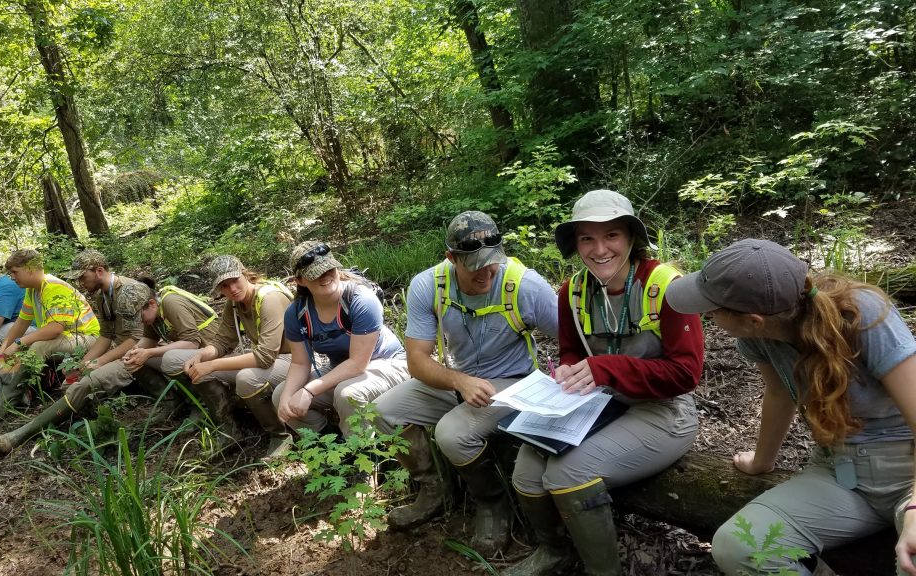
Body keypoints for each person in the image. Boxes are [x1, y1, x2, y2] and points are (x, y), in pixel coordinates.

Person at [665, 238, 916, 576]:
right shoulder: (757, 338)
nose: (707, 315)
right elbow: (779, 395)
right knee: (740, 546)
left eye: (712, 309)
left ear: (755, 319)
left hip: (907, 471)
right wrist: (761, 462)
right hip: (839, 473)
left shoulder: (862, 312)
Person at [502, 190, 703, 576]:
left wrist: (606, 368)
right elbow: (571, 351)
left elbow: (685, 375)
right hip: (599, 403)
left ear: (630, 237)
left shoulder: (667, 287)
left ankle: (603, 570)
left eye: (611, 235)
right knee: (526, 471)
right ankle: (554, 550)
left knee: (566, 475)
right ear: (576, 244)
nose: (599, 249)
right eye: (586, 239)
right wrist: (569, 371)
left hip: (663, 410)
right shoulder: (572, 293)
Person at [372, 210, 559, 556]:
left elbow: (575, 338)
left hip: (513, 383)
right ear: (451, 258)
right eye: (475, 264)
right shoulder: (429, 285)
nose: (487, 273)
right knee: (384, 411)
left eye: (493, 262)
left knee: (452, 433)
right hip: (459, 380)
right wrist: (459, 380)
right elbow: (416, 361)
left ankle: (491, 502)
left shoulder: (525, 285)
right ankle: (434, 488)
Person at [0, 250, 149, 454]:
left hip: (138, 353)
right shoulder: (102, 295)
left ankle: (19, 435)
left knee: (82, 385)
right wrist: (86, 361)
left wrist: (99, 362)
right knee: (71, 382)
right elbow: (106, 336)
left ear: (99, 271)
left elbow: (134, 339)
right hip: (120, 350)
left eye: (83, 277)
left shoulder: (128, 291)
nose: (80, 283)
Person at [0, 249, 100, 424]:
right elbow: (19, 325)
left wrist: (18, 343)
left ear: (30, 269)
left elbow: (55, 329)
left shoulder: (53, 287)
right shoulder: (32, 290)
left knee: (37, 345)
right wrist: (2, 353)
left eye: (15, 272)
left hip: (86, 339)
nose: (12, 277)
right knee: (5, 357)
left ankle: (4, 404)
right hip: (63, 340)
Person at [273, 241, 409, 437]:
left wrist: (309, 391)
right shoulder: (296, 313)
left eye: (329, 269)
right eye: (316, 274)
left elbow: (357, 364)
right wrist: (286, 398)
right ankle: (329, 444)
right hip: (342, 369)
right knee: (280, 395)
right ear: (300, 281)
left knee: (347, 394)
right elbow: (300, 363)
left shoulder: (361, 300)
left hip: (388, 363)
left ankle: (365, 454)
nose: (326, 276)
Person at [182, 255, 295, 458]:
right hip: (272, 359)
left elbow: (265, 357)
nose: (232, 289)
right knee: (200, 372)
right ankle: (231, 429)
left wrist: (214, 365)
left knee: (246, 378)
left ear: (245, 274)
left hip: (297, 360)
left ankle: (280, 434)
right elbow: (223, 342)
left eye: (235, 280)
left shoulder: (269, 298)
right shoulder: (234, 304)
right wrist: (202, 356)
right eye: (224, 286)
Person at [115, 280, 227, 436]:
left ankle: (201, 406)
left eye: (139, 318)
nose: (139, 322)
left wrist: (150, 353)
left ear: (152, 304)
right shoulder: (152, 313)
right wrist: (135, 351)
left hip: (211, 350)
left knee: (169, 358)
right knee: (137, 358)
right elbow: (150, 339)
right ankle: (172, 403)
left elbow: (192, 342)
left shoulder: (170, 302)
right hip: (193, 353)